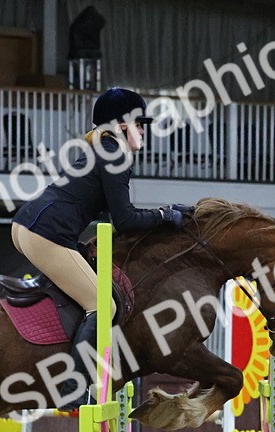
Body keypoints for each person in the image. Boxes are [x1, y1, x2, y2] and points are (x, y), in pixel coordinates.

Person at [11, 86, 192, 409]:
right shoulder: (115, 154)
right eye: (140, 125)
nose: (142, 131)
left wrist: (163, 213)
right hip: (46, 232)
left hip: (28, 226)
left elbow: (116, 213)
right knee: (102, 305)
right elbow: (124, 219)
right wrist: (165, 216)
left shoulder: (101, 149)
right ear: (122, 125)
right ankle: (72, 389)